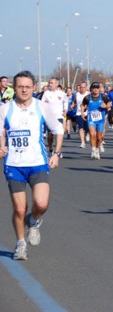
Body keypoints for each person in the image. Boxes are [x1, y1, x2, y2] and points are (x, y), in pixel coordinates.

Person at [0, 71, 64, 261]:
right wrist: (1, 145)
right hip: (14, 164)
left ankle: (33, 221)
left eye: (28, 86)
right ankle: (20, 243)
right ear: (14, 88)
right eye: (20, 86)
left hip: (38, 163)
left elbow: (58, 129)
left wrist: (57, 154)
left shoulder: (42, 107)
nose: (24, 90)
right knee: (19, 209)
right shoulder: (5, 108)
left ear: (34, 88)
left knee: (42, 203)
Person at [82, 82, 111, 159]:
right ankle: (93, 149)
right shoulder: (87, 98)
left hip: (101, 120)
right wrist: (82, 113)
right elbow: (82, 105)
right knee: (92, 135)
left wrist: (106, 106)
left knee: (99, 137)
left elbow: (109, 104)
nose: (96, 89)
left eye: (97, 88)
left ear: (99, 89)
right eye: (94, 88)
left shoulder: (103, 96)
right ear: (91, 89)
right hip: (91, 119)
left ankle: (97, 149)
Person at [41, 78, 68, 156]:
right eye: (49, 83)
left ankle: (58, 150)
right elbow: (42, 103)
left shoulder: (62, 93)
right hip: (49, 117)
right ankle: (50, 148)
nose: (50, 84)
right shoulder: (46, 93)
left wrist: (65, 110)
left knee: (59, 133)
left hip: (59, 116)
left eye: (52, 83)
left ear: (57, 84)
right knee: (50, 135)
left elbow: (66, 101)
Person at [72, 81, 90, 148]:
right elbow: (74, 101)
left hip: (87, 113)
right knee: (81, 128)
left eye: (84, 87)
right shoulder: (77, 94)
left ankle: (88, 133)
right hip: (79, 113)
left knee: (87, 128)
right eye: (81, 87)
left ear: (86, 87)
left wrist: (87, 106)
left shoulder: (88, 94)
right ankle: (82, 142)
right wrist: (73, 105)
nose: (82, 89)